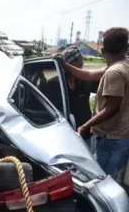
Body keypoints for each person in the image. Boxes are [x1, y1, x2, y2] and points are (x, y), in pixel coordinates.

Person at [60, 27, 129, 181]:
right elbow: (90, 75)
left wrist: (85, 127)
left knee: (102, 181)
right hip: (120, 136)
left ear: (103, 50)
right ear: (126, 48)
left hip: (112, 138)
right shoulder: (123, 65)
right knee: (112, 178)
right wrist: (64, 65)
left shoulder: (114, 72)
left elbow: (112, 107)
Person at [40, 47, 98, 149]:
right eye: (81, 60)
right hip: (63, 135)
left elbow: (103, 87)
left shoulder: (86, 81)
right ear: (73, 63)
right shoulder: (53, 84)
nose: (83, 63)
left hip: (85, 134)